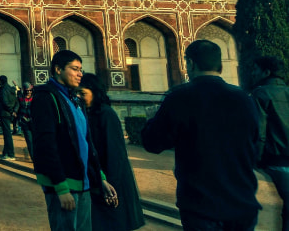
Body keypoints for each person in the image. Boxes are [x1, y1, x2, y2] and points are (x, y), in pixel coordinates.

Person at [142, 40, 260, 230]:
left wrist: (150, 119)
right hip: (242, 200)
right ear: (220, 65)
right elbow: (256, 142)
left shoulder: (179, 97)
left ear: (190, 63)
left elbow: (153, 144)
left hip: (200, 203)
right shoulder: (243, 98)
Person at [33, 50, 117, 231]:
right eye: (74, 69)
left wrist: (100, 177)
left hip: (83, 182)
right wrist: (61, 187)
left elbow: (87, 143)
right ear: (58, 69)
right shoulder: (46, 98)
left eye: (81, 69)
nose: (80, 74)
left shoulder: (75, 100)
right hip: (63, 183)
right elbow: (45, 144)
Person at [79, 73, 144, 231]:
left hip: (112, 182)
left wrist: (110, 184)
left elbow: (115, 153)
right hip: (98, 179)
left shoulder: (106, 114)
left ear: (95, 92)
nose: (79, 97)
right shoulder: (86, 114)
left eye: (83, 93)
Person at [251, 55, 289, 231]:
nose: (253, 73)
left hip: (276, 161)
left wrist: (255, 160)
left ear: (266, 72)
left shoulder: (261, 93)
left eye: (256, 69)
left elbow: (259, 132)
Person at [0, 75, 19, 160]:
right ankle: (5, 153)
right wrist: (14, 111)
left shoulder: (4, 90)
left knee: (7, 134)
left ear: (0, 81)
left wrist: (11, 110)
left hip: (5, 113)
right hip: (10, 113)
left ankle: (11, 154)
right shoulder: (11, 89)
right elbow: (17, 102)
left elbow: (5, 102)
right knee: (7, 134)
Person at [17, 82, 34, 159]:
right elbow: (17, 107)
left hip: (34, 121)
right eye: (27, 91)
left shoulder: (35, 98)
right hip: (24, 121)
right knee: (29, 140)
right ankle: (34, 158)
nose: (29, 92)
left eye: (30, 90)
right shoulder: (21, 98)